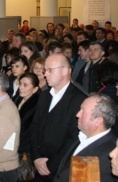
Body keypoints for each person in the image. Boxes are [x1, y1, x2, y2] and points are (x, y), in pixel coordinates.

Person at [30, 54, 87, 182]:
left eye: (50, 70)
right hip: (39, 166)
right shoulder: (44, 95)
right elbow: (35, 127)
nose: (45, 74)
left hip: (60, 169)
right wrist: (36, 157)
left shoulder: (79, 99)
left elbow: (75, 137)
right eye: (46, 70)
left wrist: (51, 165)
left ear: (65, 71)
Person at [55, 94, 118, 182]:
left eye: (83, 111)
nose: (77, 115)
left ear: (98, 121)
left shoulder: (110, 153)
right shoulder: (83, 136)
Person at [16, 73, 40, 155]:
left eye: (25, 85)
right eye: (20, 84)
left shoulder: (37, 104)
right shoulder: (17, 98)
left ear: (35, 89)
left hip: (25, 146)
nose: (21, 87)